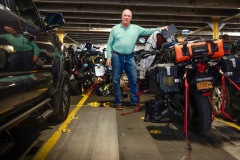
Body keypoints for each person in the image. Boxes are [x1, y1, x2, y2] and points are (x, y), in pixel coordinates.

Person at [106, 9, 168, 110]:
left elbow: (148, 31)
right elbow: (109, 44)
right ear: (121, 17)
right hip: (117, 56)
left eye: (129, 16)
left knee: (133, 80)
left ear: (131, 18)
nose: (126, 17)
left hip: (130, 57)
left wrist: (161, 28)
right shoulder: (115, 29)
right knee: (116, 80)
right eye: (125, 15)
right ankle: (118, 102)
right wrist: (109, 57)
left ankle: (134, 102)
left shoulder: (136, 28)